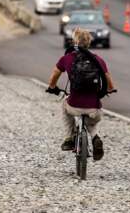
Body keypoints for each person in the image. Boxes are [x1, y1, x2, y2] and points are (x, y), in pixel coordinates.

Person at [46, 28, 116, 161]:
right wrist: (110, 90)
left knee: (64, 106)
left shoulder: (67, 58)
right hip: (94, 108)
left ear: (74, 42)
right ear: (89, 43)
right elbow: (109, 82)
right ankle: (95, 138)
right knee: (92, 122)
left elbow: (54, 75)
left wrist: (52, 87)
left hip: (74, 104)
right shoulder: (98, 60)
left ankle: (69, 138)